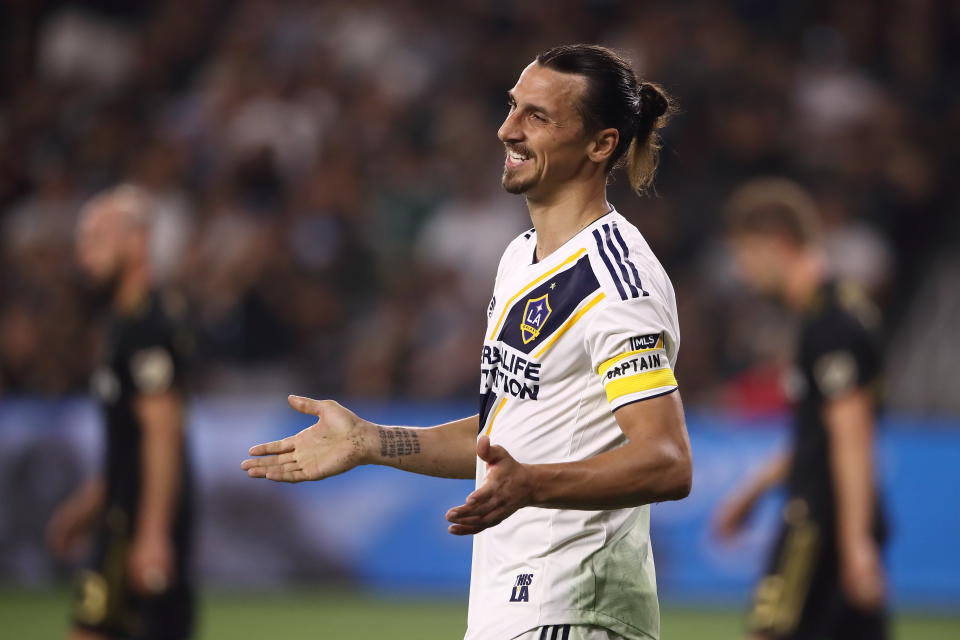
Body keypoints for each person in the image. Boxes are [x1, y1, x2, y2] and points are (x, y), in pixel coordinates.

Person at [242, 44, 692, 640]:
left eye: (537, 117)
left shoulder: (615, 281)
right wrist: (373, 442)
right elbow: (503, 439)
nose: (507, 130)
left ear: (601, 144)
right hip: (512, 608)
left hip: (571, 610)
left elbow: (667, 462)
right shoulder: (520, 258)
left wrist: (535, 483)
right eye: (512, 108)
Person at [713, 178, 888, 640]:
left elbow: (852, 437)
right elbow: (821, 435)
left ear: (777, 244)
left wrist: (855, 543)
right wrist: (751, 491)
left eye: (745, 254)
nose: (743, 270)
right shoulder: (829, 313)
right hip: (832, 520)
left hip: (818, 525)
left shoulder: (831, 324)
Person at [46, 186, 195, 640]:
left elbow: (162, 432)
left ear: (137, 242)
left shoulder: (149, 326)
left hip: (137, 523)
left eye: (96, 237)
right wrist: (87, 506)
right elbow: (127, 442)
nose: (83, 251)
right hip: (119, 515)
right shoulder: (122, 324)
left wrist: (151, 533)